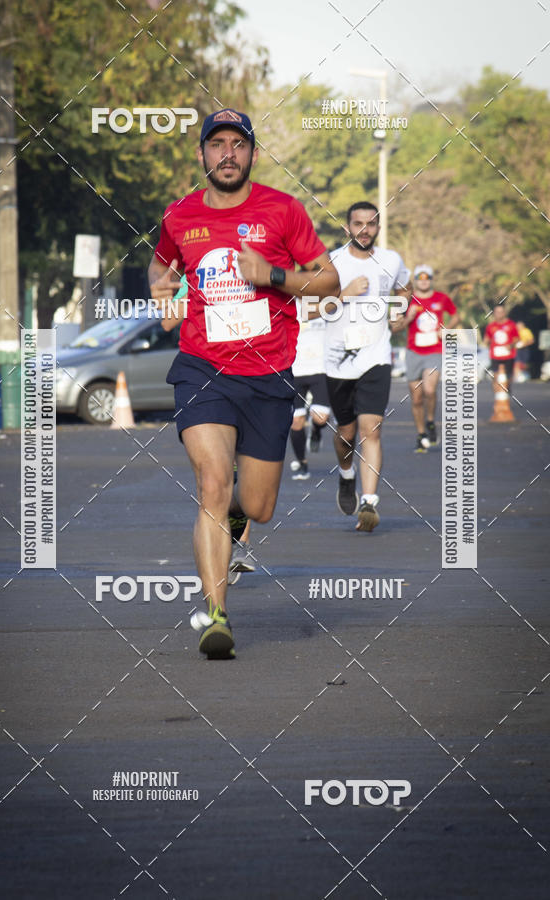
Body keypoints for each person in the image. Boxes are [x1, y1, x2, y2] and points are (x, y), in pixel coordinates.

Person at [148, 108, 339, 659]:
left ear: (253, 153)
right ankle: (216, 616)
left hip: (270, 374)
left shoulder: (283, 210)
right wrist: (162, 291)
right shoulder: (180, 215)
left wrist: (272, 276)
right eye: (217, 144)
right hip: (202, 367)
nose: (227, 154)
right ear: (202, 154)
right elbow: (161, 267)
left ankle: (237, 516)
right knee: (212, 482)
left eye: (238, 144)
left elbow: (331, 282)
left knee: (256, 506)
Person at [324, 201, 410, 532]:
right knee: (345, 434)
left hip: (376, 356)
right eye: (357, 223)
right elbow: (312, 308)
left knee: (371, 429)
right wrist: (344, 294)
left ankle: (368, 502)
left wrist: (403, 314)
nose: (364, 229)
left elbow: (404, 289)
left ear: (378, 227)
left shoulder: (391, 260)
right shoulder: (331, 262)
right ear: (347, 228)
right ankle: (346, 475)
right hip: (338, 360)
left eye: (371, 224)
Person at [396, 264, 459, 452]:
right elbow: (396, 327)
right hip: (413, 352)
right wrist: (409, 317)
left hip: (434, 350)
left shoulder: (441, 298)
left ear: (431, 280)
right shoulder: (408, 300)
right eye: (420, 278)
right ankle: (421, 434)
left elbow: (456, 316)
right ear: (415, 280)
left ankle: (430, 420)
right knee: (416, 399)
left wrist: (445, 330)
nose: (424, 282)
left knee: (429, 390)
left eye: (427, 278)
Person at [289, 299, 330, 480]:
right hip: (295, 370)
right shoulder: (289, 304)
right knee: (296, 421)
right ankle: (302, 464)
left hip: (321, 369)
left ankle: (316, 430)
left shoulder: (327, 304)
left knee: (320, 418)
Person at [484, 304, 520, 393]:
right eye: (497, 312)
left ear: (504, 313)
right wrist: (486, 343)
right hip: (495, 354)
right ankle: (497, 393)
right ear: (494, 313)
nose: (499, 314)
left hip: (508, 354)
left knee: (508, 375)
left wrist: (511, 345)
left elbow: (517, 338)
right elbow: (487, 339)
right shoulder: (491, 326)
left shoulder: (511, 324)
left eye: (501, 312)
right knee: (495, 374)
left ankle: (507, 389)